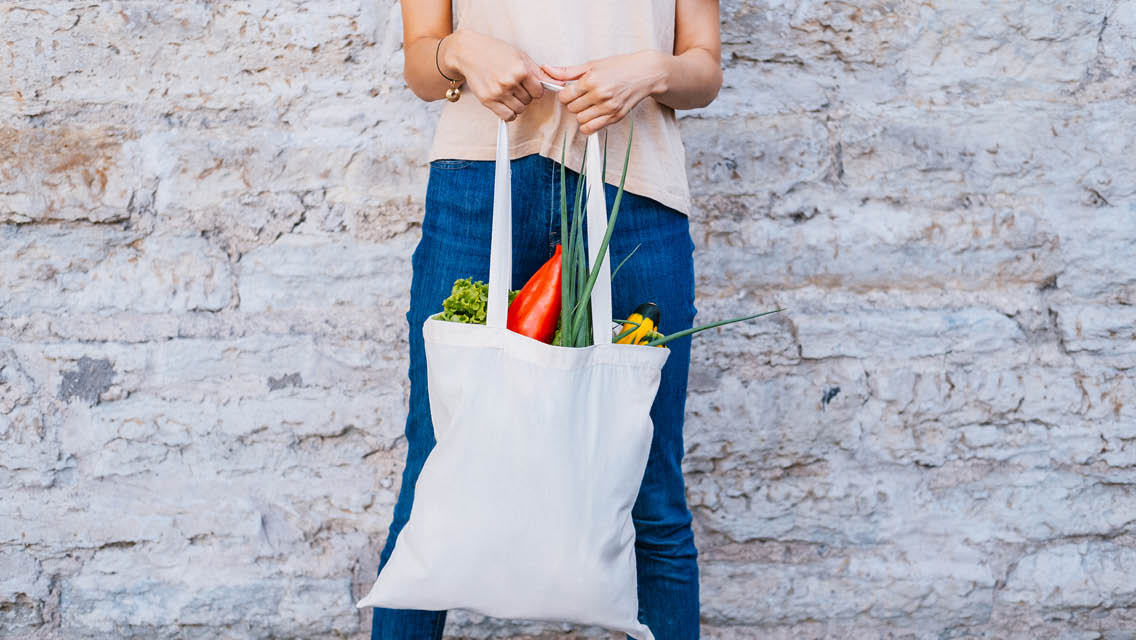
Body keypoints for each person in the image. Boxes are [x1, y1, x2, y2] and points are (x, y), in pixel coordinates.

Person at [371, 1, 722, 638]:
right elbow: (422, 64)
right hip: (479, 186)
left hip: (635, 191)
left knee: (650, 488)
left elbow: (704, 68)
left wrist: (649, 71)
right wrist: (460, 51)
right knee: (436, 470)